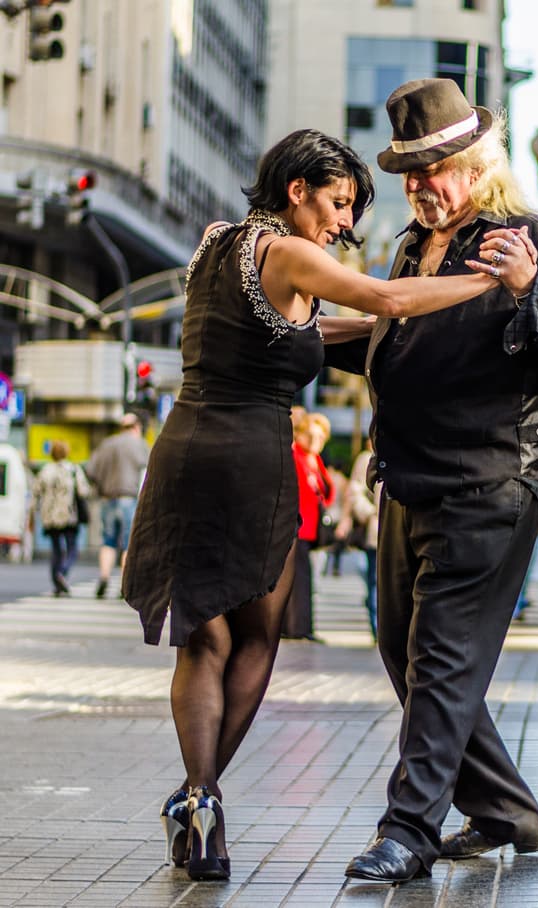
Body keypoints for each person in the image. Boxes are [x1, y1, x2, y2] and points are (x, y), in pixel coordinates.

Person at [122, 127, 496, 882]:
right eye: (337, 202)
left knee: (205, 640)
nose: (344, 223)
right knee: (257, 637)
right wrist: (485, 281)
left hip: (184, 450)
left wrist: (382, 325)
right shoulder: (291, 250)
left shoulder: (218, 242)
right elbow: (387, 293)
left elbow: (303, 329)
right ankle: (199, 795)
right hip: (251, 459)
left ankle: (199, 804)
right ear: (297, 191)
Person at [323, 80, 538, 883]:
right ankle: (508, 811)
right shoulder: (413, 248)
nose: (421, 187)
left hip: (490, 484)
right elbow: (390, 338)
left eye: (434, 170)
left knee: (440, 657)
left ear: (478, 166)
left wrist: (529, 289)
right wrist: (288, 327)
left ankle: (409, 828)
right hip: (408, 480)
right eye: (411, 175)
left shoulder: (528, 237)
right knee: (404, 646)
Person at [84, 412, 150, 598]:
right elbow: (149, 473)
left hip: (107, 498)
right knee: (129, 543)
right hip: (129, 499)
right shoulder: (140, 445)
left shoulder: (107, 444)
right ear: (136, 427)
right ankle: (124, 585)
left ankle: (104, 579)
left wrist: (102, 486)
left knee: (108, 541)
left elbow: (90, 470)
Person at [284, 413, 334, 641]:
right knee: (298, 578)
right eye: (312, 435)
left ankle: (299, 626)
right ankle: (298, 627)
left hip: (309, 527)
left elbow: (327, 492)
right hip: (296, 527)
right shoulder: (295, 455)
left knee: (302, 578)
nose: (317, 441)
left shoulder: (315, 460)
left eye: (321, 437)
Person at [33, 440, 91, 596]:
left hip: (50, 516)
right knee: (72, 548)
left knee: (56, 550)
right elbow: (84, 491)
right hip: (68, 514)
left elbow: (36, 491)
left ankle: (57, 582)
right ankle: (62, 572)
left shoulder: (45, 470)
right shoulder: (73, 469)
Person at [338, 440, 380, 638]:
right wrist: (370, 512)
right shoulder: (366, 458)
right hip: (377, 528)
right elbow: (355, 491)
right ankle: (378, 628)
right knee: (375, 579)